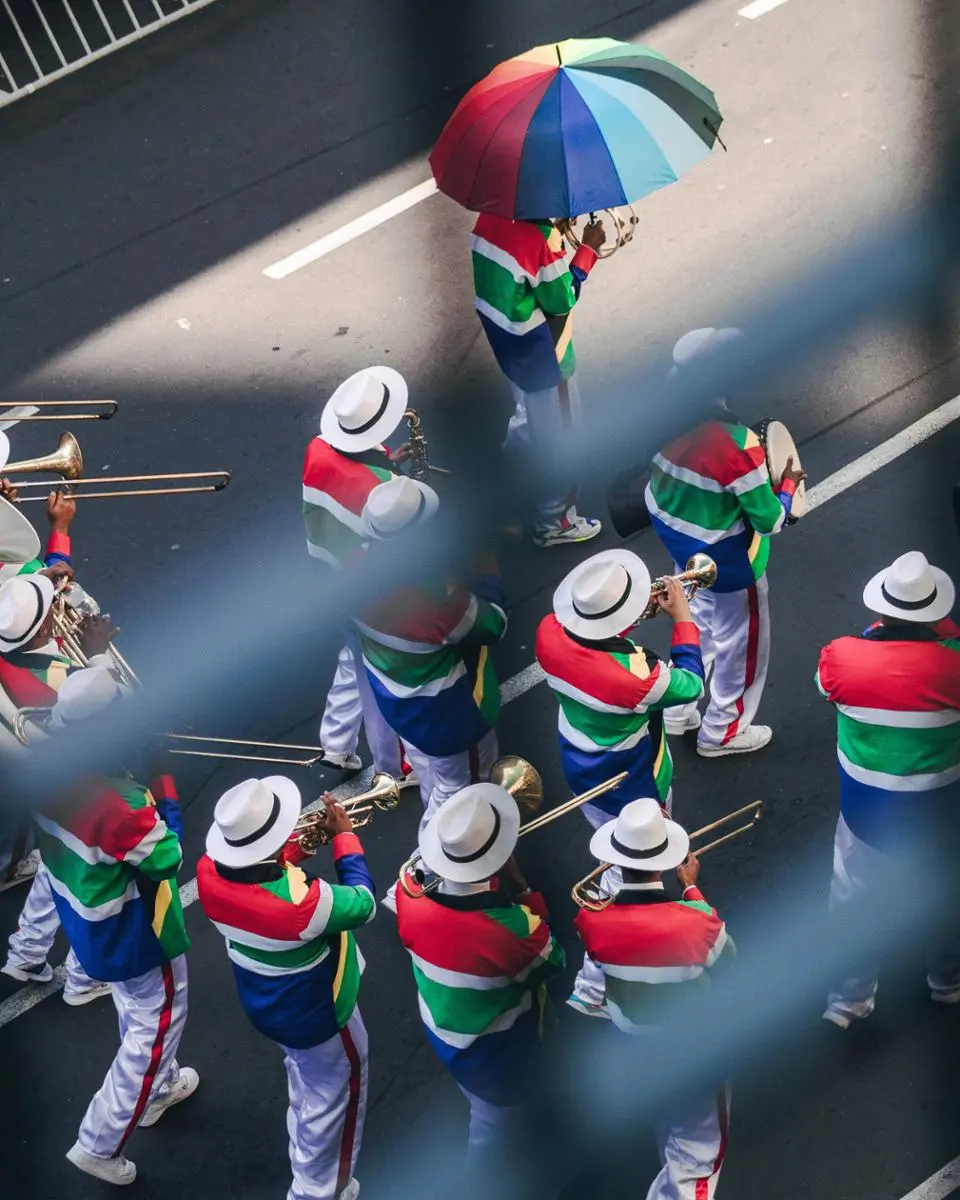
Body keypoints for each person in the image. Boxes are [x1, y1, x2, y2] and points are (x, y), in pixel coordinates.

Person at [32, 667, 196, 1184]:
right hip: (132, 927)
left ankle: (162, 1086)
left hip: (83, 914)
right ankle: (99, 1141)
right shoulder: (120, 803)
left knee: (135, 1003)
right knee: (157, 1021)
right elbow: (168, 855)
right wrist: (162, 782)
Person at [535, 548, 704, 1015]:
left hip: (580, 759)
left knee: (615, 857)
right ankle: (591, 986)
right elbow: (690, 683)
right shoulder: (635, 679)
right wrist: (683, 617)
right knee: (623, 871)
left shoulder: (548, 631)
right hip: (631, 776)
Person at [197, 780, 375, 1200]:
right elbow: (363, 901)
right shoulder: (303, 904)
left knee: (307, 1081)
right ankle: (319, 1187)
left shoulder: (206, 871)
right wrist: (345, 837)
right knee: (340, 1095)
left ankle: (305, 1154)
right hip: (319, 1011)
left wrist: (298, 847)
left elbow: (257, 870)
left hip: (267, 1002)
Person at [645, 327, 805, 757]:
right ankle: (723, 731)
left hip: (682, 544)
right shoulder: (737, 443)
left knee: (697, 621)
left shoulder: (656, 409)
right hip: (730, 561)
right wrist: (787, 487)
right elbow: (770, 519)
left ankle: (679, 709)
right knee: (743, 646)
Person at [817, 551, 960, 1027]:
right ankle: (948, 982)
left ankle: (848, 1002)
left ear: (882, 610)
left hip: (866, 817)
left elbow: (827, 684)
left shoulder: (841, 657)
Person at [395, 783, 565, 1164]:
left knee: (486, 1109)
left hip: (442, 1024)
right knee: (492, 1127)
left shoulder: (408, 892)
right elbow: (552, 960)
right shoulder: (513, 930)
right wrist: (521, 888)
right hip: (495, 1051)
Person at [575, 798, 734, 1199]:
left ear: (615, 860)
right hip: (691, 1050)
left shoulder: (592, 920)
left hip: (632, 1042)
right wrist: (692, 888)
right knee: (701, 1154)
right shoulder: (697, 922)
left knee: (668, 1118)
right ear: (663, 864)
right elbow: (727, 956)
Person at [356, 476, 507, 826]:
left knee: (431, 775)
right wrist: (485, 564)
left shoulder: (355, 574)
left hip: (399, 702)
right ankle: (434, 864)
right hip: (447, 717)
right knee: (462, 794)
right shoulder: (439, 603)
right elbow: (494, 622)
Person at [303, 366, 414, 781]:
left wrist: (388, 464)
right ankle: (394, 766)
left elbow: (349, 473)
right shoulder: (378, 486)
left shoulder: (317, 450)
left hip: (331, 573)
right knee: (381, 677)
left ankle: (337, 743)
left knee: (354, 656)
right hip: (373, 591)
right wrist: (397, 480)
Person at [470, 211, 606, 546]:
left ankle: (512, 467)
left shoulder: (488, 219)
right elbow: (563, 299)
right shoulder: (540, 240)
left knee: (527, 410)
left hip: (508, 341)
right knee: (562, 437)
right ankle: (554, 520)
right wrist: (587, 250)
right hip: (544, 354)